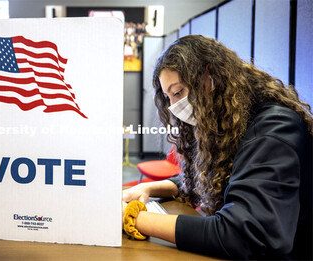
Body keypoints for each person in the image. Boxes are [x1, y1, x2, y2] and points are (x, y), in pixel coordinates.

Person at [122, 35, 312, 260]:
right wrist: (149, 189)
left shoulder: (275, 127)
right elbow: (213, 177)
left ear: (210, 77)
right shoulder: (228, 120)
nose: (173, 107)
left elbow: (243, 234)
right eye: (168, 97)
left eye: (178, 92)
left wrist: (135, 217)